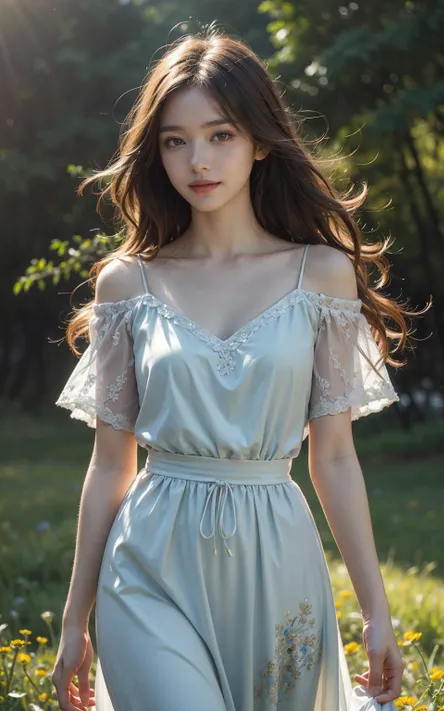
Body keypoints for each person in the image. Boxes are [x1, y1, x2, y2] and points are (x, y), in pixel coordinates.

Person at [51, 27, 415, 711]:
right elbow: (109, 464)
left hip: (277, 562)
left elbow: (333, 456)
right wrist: (75, 617)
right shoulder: (126, 284)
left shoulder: (322, 275)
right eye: (175, 140)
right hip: (149, 564)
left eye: (220, 134)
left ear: (258, 138)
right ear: (156, 152)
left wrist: (376, 608)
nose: (199, 160)